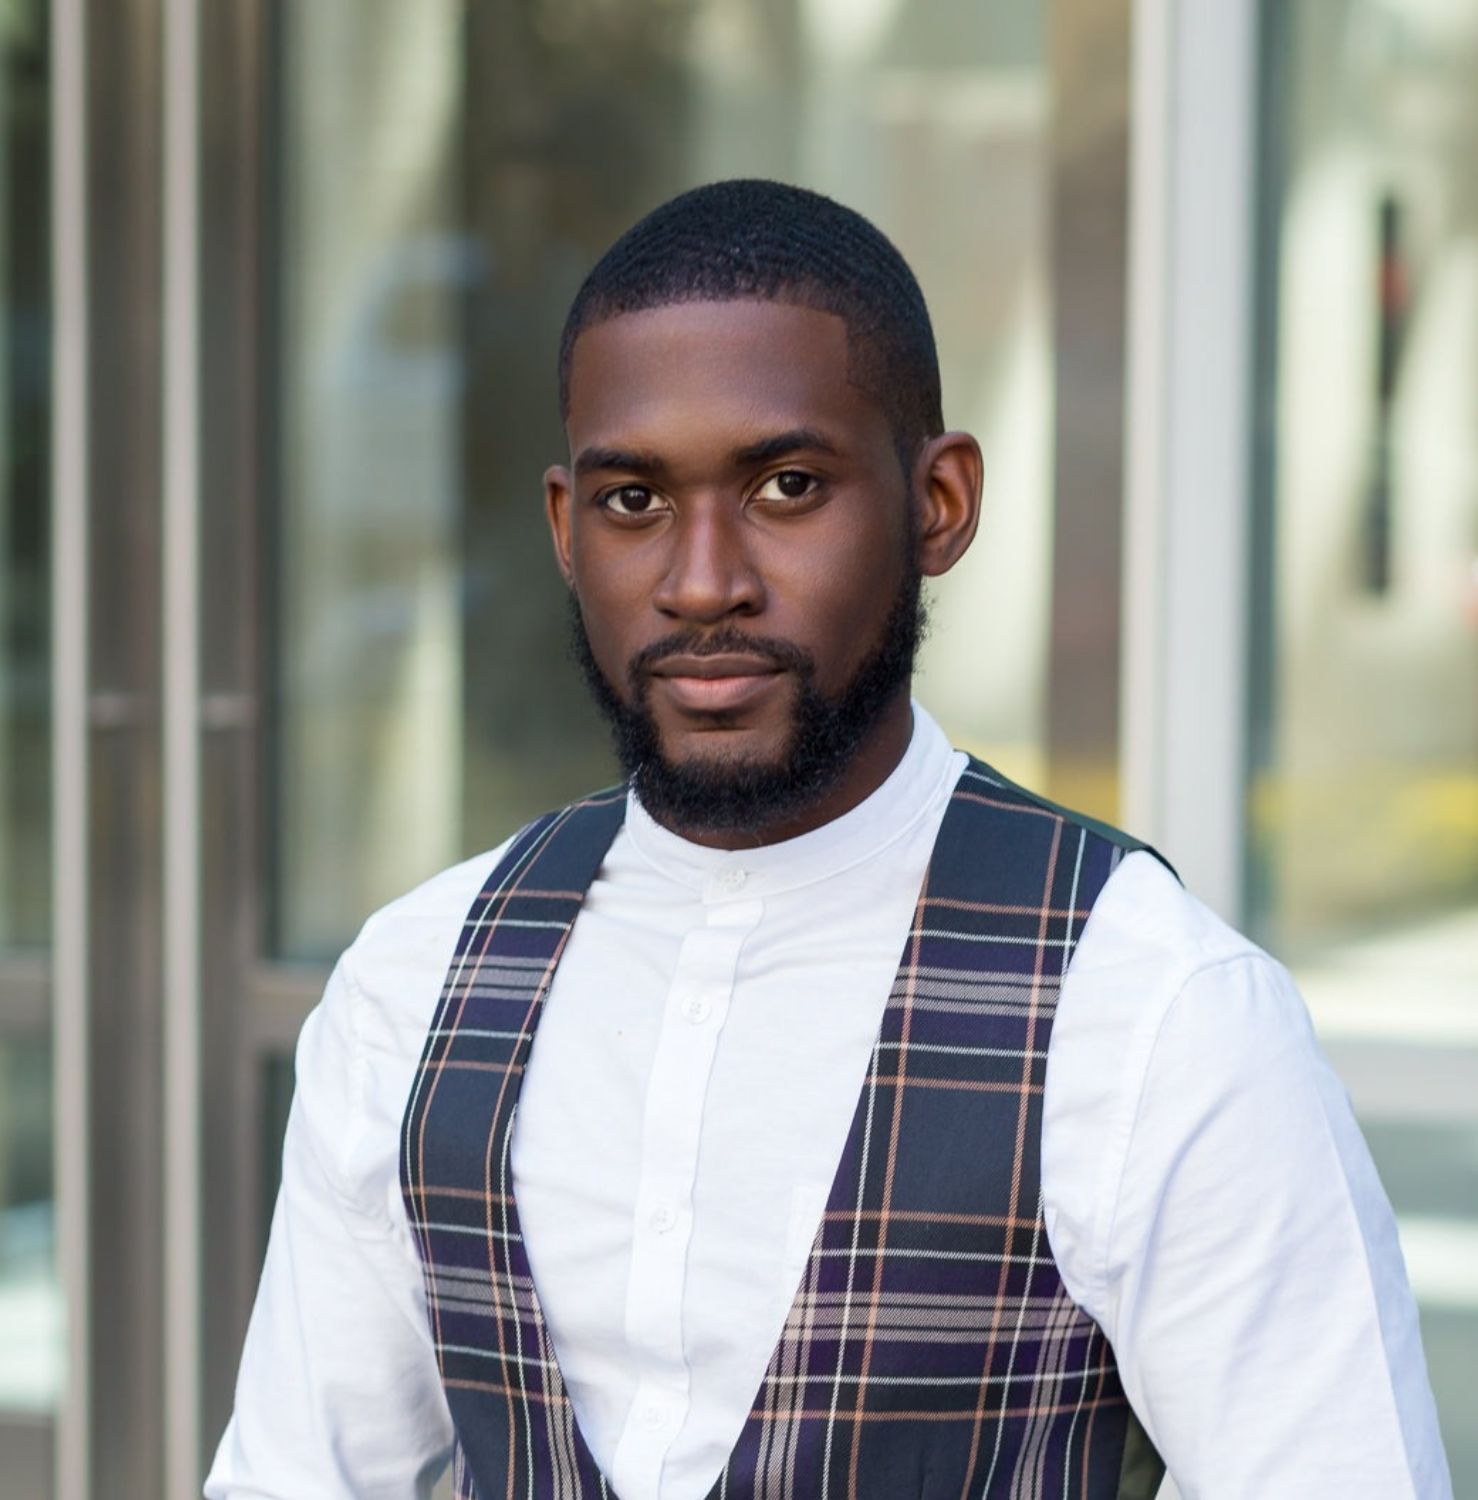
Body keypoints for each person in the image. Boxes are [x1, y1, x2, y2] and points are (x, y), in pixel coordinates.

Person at [206, 180, 1451, 1500]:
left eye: (786, 486)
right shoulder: (415, 982)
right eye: (635, 501)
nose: (701, 582)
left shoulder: (1151, 1011)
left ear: (940, 503)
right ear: (567, 531)